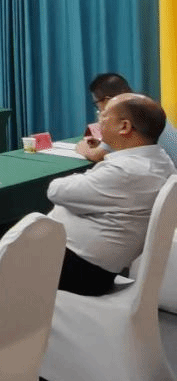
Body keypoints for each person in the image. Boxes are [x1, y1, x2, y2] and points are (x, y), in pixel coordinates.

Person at [47, 93, 176, 295]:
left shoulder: (125, 171)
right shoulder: (161, 160)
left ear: (124, 126)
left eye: (103, 115)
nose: (98, 121)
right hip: (95, 264)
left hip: (79, 270)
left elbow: (56, 190)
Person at [76, 72, 177, 165]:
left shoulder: (126, 116)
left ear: (106, 100)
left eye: (96, 103)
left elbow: (98, 155)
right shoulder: (145, 107)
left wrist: (83, 148)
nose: (98, 108)